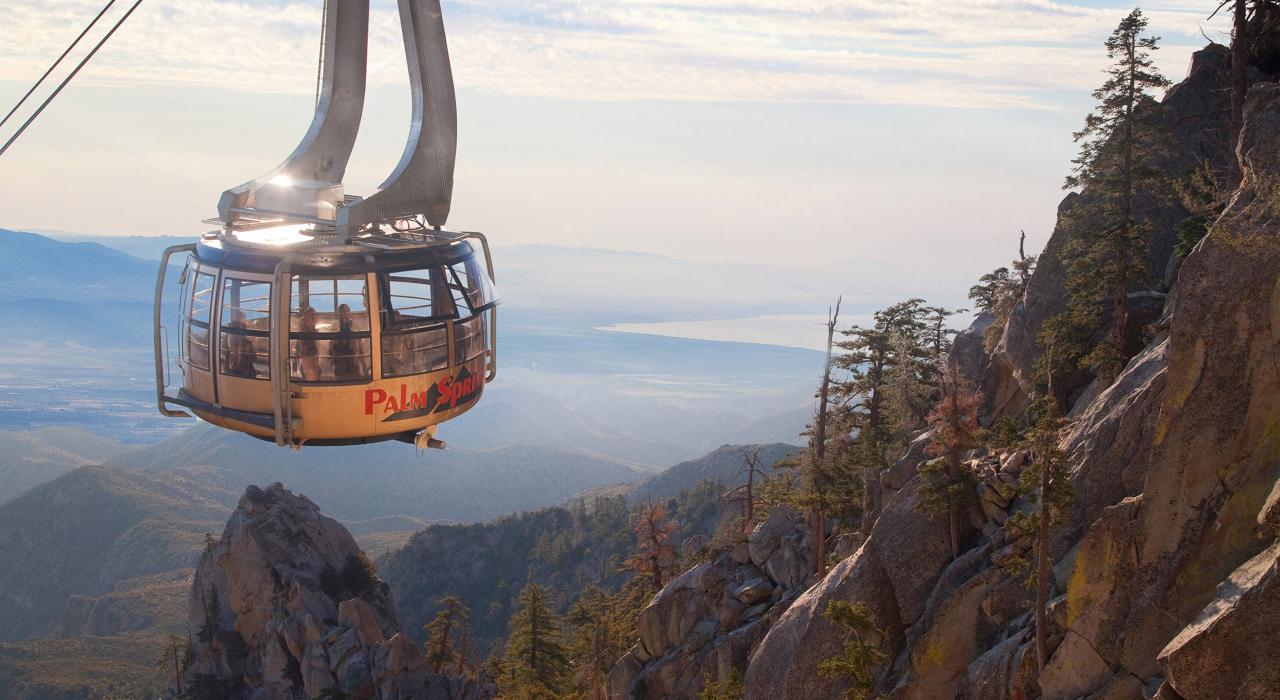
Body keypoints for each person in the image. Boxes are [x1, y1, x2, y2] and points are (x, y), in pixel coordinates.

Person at [330, 303, 364, 379]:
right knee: (341, 375)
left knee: (355, 374)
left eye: (347, 311)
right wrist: (333, 357)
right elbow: (331, 342)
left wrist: (361, 357)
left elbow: (359, 340)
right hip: (340, 355)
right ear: (339, 313)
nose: (345, 313)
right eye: (343, 311)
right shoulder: (335, 325)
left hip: (352, 354)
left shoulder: (354, 324)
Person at [224, 309, 256, 378]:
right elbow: (251, 339)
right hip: (241, 359)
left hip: (238, 358)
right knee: (243, 375)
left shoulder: (232, 328)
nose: (245, 319)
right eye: (244, 318)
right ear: (240, 318)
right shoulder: (240, 329)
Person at [297, 306, 321, 381]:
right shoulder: (303, 329)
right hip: (307, 355)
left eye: (312, 316)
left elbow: (317, 344)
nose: (310, 318)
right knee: (309, 374)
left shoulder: (314, 329)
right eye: (309, 316)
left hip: (313, 354)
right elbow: (301, 344)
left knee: (314, 372)